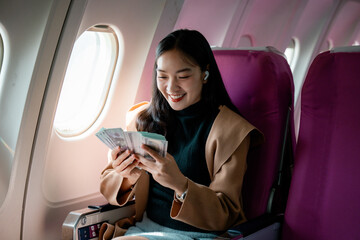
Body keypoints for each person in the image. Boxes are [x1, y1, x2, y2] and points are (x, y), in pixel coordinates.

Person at [99, 29, 262, 240]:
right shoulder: (143, 120)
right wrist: (126, 176)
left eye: (183, 76)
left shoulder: (232, 131)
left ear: (205, 74)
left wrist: (180, 184)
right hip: (145, 229)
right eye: (162, 76)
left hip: (200, 235)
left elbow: (225, 213)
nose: (171, 87)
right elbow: (107, 186)